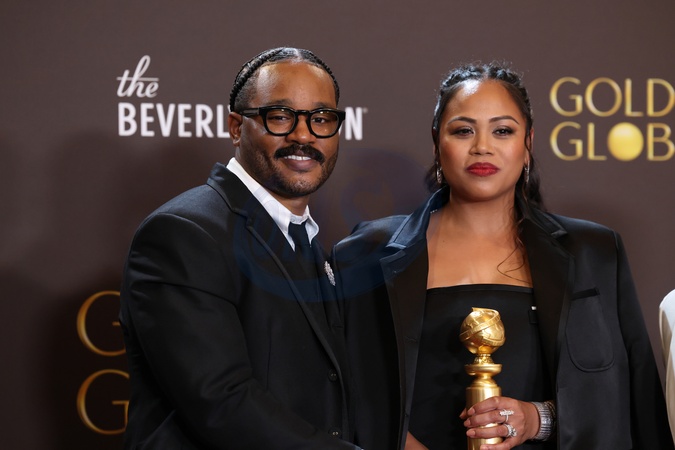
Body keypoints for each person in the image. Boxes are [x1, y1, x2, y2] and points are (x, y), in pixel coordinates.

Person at [334, 63, 673, 450]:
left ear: (528, 143)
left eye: (502, 131)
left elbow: (631, 398)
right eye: (463, 130)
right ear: (436, 142)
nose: (482, 146)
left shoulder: (594, 251)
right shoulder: (367, 253)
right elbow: (349, 397)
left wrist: (537, 419)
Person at [119, 47, 360, 449]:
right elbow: (222, 401)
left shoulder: (307, 239)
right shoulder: (184, 232)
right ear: (235, 127)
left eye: (321, 119)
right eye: (280, 116)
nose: (303, 136)